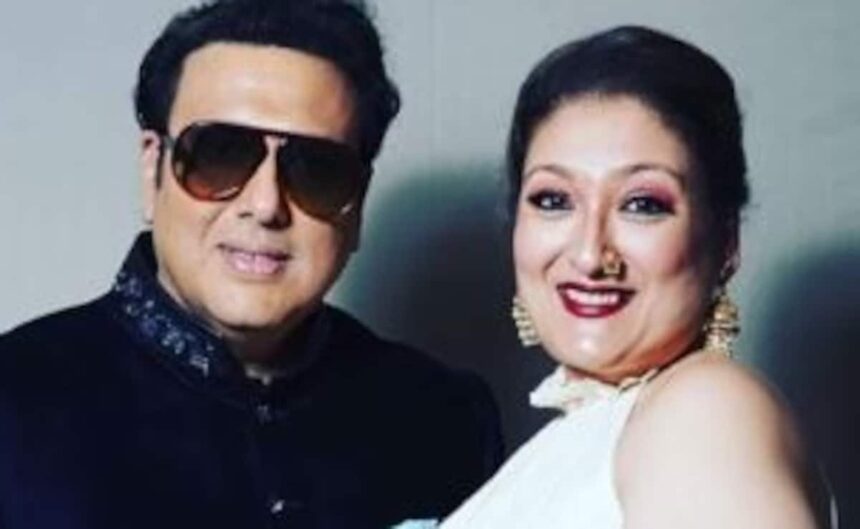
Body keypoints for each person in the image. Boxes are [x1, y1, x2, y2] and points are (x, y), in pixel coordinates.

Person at [0, 1, 502, 528]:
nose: (265, 205)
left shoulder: (447, 420)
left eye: (316, 170)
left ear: (356, 204)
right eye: (219, 154)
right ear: (153, 171)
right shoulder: (14, 399)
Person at [442, 26, 833, 529]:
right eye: (553, 200)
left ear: (726, 242)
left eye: (642, 204)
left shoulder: (706, 411)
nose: (589, 254)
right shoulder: (595, 434)